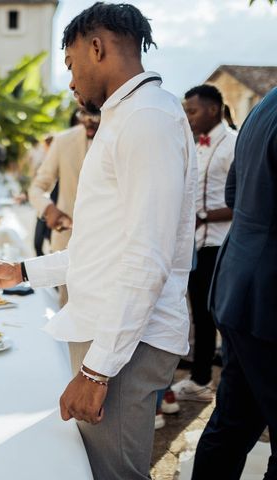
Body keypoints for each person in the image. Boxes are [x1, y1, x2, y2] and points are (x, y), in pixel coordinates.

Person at [0, 3, 197, 479]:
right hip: (110, 333)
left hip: (124, 343)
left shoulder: (147, 120)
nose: (72, 81)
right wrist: (22, 271)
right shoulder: (127, 116)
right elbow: (100, 248)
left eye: (72, 64)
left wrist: (97, 372)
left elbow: (147, 258)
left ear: (96, 47)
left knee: (111, 474)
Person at [192, 87, 277, 480]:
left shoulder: (266, 104)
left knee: (232, 422)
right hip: (269, 298)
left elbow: (233, 192)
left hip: (239, 281)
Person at [171, 84, 236, 403]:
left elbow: (245, 200)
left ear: (213, 110)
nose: (188, 116)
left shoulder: (234, 144)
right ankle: (200, 380)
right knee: (199, 313)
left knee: (214, 314)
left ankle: (207, 382)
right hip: (197, 244)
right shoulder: (199, 144)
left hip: (220, 245)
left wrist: (204, 215)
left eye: (192, 110)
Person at [29, 103, 100, 305]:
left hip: (109, 250)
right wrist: (48, 208)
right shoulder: (63, 141)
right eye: (83, 114)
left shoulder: (124, 140)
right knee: (68, 313)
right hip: (67, 242)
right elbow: (37, 187)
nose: (88, 120)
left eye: (95, 115)